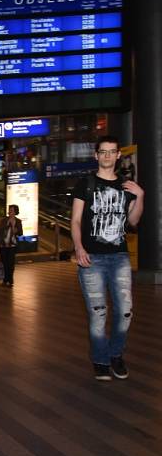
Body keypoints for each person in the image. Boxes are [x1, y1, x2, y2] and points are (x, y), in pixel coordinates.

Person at [71, 135, 144, 381]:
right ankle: (101, 359)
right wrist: (79, 247)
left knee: (125, 311)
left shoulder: (127, 186)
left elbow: (133, 222)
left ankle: (116, 354)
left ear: (118, 155)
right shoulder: (86, 184)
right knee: (98, 312)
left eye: (112, 152)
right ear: (96, 155)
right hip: (92, 258)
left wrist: (140, 196)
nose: (107, 156)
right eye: (103, 152)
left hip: (119, 257)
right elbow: (76, 220)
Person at [0, 204, 23, 287]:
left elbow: (21, 233)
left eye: (11, 210)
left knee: (11, 263)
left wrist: (15, 229)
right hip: (3, 245)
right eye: (9, 210)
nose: (10, 211)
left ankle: (10, 280)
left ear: (15, 212)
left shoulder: (18, 221)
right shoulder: (4, 220)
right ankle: (5, 279)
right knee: (4, 262)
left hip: (12, 245)